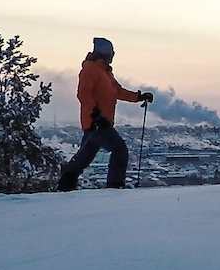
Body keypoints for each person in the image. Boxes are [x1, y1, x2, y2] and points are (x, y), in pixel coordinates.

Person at [57, 37, 153, 191]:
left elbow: (117, 91)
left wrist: (139, 97)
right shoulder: (91, 69)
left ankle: (65, 182)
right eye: (110, 51)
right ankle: (115, 186)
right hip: (97, 122)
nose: (113, 55)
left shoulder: (105, 72)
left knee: (84, 158)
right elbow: (83, 94)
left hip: (98, 122)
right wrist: (95, 115)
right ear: (104, 53)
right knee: (119, 149)